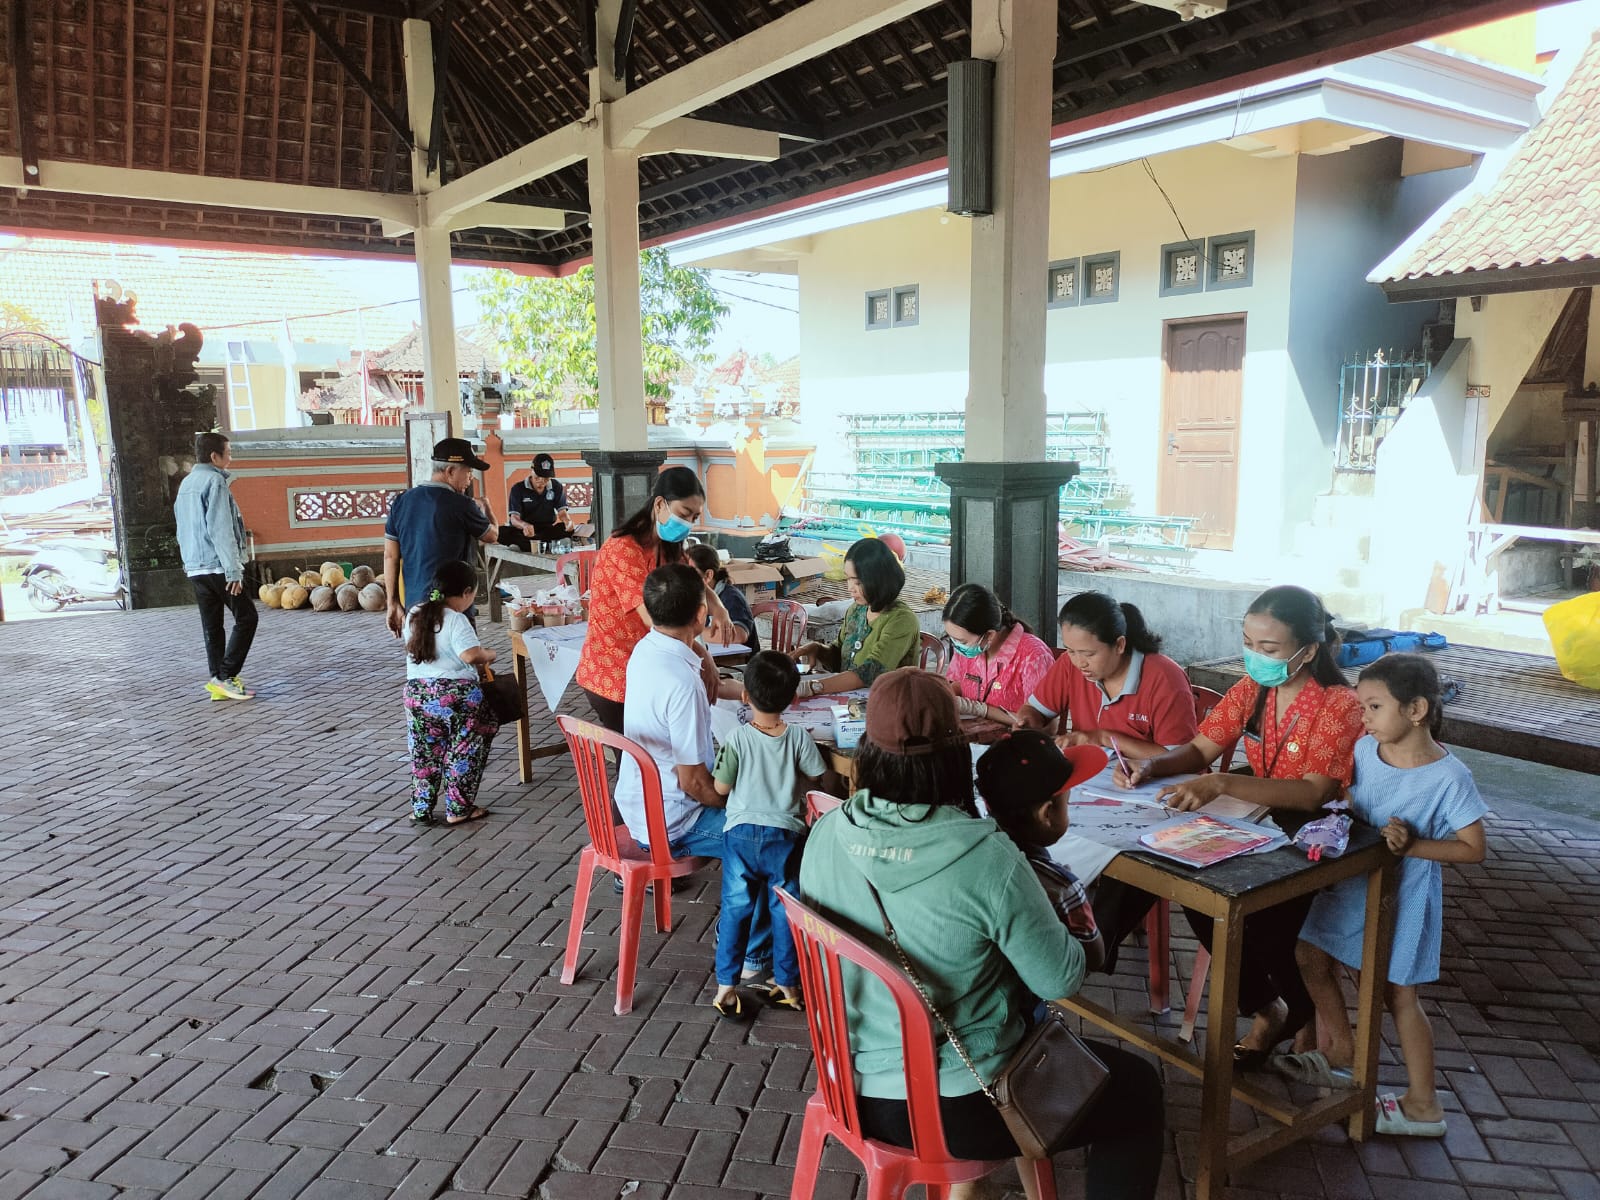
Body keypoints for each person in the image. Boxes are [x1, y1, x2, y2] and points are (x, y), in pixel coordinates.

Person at [800, 669, 1163, 1200]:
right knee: (1138, 1091)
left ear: (869, 751)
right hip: (958, 1104)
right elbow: (1059, 978)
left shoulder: (829, 829)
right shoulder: (987, 856)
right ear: (956, 754)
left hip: (847, 1081)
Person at [1120, 584, 1364, 1069]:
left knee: (1264, 929)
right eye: (1249, 644)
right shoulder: (1255, 689)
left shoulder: (1339, 704)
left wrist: (1221, 784)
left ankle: (1291, 1011)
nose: (1254, 656)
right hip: (1256, 820)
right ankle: (1270, 1008)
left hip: (1312, 831)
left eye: (1268, 648)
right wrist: (1153, 766)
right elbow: (1199, 750)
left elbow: (1314, 791)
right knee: (1193, 888)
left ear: (1308, 650)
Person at [1278, 655, 1485, 1138]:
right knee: (1309, 954)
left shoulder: (1448, 777)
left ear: (1415, 709)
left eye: (1373, 706)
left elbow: (1473, 849)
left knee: (1397, 995)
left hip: (1404, 896)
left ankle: (1423, 1104)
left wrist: (1414, 845)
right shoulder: (1366, 750)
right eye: (1362, 707)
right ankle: (1343, 1054)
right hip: (1351, 883)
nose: (1364, 717)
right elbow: (1356, 801)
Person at [615, 563, 770, 971]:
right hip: (672, 821)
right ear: (702, 615)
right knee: (773, 838)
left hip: (637, 806)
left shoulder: (646, 649)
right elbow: (695, 784)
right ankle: (747, 948)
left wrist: (706, 657)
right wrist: (747, 802)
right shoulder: (681, 685)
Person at [709, 652, 827, 1020]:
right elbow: (818, 777)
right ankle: (787, 983)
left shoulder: (736, 738)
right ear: (793, 699)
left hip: (741, 835)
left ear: (745, 695)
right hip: (785, 837)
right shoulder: (799, 739)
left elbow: (721, 786)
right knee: (785, 909)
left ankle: (726, 985)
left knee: (735, 908)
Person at [575, 467, 736, 733]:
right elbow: (658, 622)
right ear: (660, 504)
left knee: (657, 757)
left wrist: (719, 607)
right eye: (684, 514)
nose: (687, 523)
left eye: (694, 517)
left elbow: (690, 579)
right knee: (639, 763)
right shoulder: (623, 549)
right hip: (613, 673)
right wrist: (703, 656)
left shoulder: (667, 546)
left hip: (650, 667)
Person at [976, 730, 1109, 971]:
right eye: (1067, 803)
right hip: (1026, 996)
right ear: (1047, 814)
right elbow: (1094, 957)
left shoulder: (975, 852)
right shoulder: (1060, 886)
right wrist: (1080, 896)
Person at [1019, 592, 1197, 758]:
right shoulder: (1069, 664)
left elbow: (1180, 757)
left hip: (1154, 784)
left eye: (1089, 654)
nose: (1080, 662)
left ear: (1119, 645)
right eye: (1071, 651)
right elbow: (1035, 710)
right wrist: (1028, 720)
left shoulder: (1165, 678)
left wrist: (1103, 738)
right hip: (1092, 777)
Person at [403, 559, 499, 826]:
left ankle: (420, 808)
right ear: (466, 592)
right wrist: (489, 654)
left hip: (417, 694)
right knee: (463, 749)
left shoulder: (415, 613)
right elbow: (469, 655)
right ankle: (458, 808)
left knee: (424, 752)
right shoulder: (457, 619)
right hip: (456, 696)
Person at [384, 438, 498, 637]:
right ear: (451, 471)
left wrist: (392, 603)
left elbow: (390, 556)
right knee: (464, 660)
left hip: (415, 604)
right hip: (454, 606)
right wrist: (486, 507)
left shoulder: (402, 501)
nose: (471, 478)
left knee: (422, 660)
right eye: (468, 471)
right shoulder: (462, 504)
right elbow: (492, 535)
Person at [174, 431, 258, 701]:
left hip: (196, 567)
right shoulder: (215, 482)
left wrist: (189, 563)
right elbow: (221, 528)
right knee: (247, 618)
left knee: (213, 626)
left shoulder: (186, 483)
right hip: (218, 567)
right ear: (214, 456)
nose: (231, 458)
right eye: (229, 452)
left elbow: (181, 529)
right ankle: (225, 676)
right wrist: (233, 570)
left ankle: (217, 680)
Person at [793, 537, 919, 699]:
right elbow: (840, 656)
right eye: (848, 578)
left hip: (889, 703)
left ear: (879, 580)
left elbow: (871, 672)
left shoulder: (901, 620)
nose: (850, 588)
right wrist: (817, 649)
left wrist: (813, 686)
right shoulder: (856, 610)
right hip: (850, 702)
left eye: (857, 582)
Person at [941, 583, 1055, 724]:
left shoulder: (1034, 657)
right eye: (952, 639)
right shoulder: (969, 648)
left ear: (989, 635)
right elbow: (960, 683)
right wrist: (945, 697)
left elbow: (1043, 725)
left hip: (1015, 742)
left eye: (962, 642)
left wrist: (981, 709)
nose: (957, 646)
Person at [500, 452, 591, 550]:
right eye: (538, 477)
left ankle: (530, 546)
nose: (541, 481)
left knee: (565, 528)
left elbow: (562, 513)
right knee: (502, 532)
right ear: (532, 470)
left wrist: (567, 521)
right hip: (525, 532)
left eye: (546, 478)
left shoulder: (556, 487)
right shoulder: (518, 489)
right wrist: (524, 525)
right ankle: (547, 545)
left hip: (546, 529)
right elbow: (514, 518)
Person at [687, 542, 760, 655]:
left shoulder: (731, 597)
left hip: (739, 665)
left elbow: (739, 636)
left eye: (690, 572)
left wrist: (689, 632)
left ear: (708, 575)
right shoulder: (696, 596)